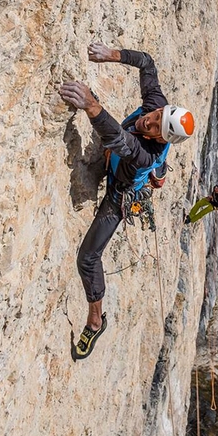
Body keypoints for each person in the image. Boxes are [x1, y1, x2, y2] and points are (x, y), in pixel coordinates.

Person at [59, 41, 194, 360]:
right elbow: (148, 63)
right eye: (157, 115)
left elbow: (120, 141)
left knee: (87, 258)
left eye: (157, 126)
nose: (151, 120)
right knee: (130, 142)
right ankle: (160, 173)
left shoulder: (145, 152)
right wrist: (113, 56)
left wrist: (92, 105)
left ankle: (95, 321)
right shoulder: (156, 105)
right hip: (121, 160)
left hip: (120, 193)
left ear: (163, 138)